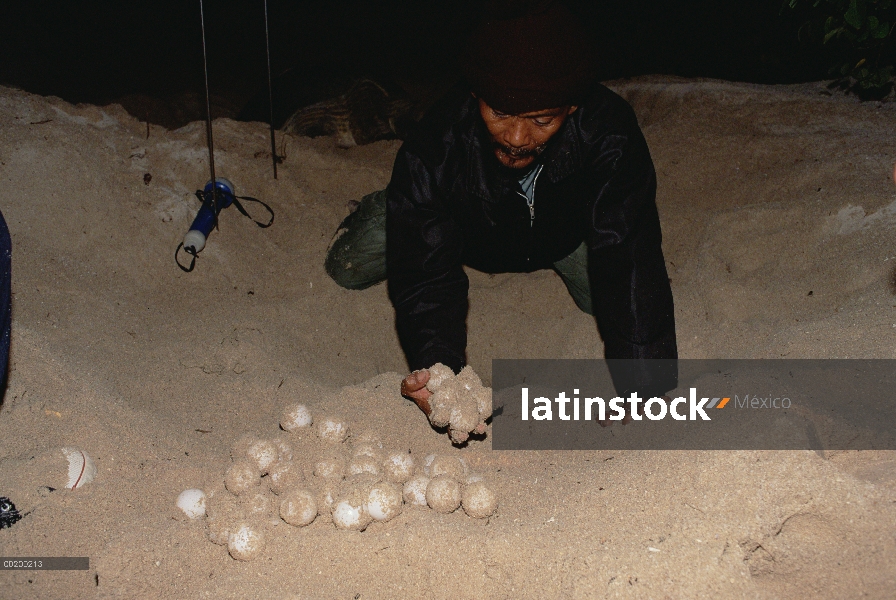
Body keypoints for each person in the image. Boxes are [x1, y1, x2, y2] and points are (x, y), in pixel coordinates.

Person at [325, 0, 677, 433]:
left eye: (542, 119)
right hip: (464, 228)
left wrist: (645, 389)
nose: (515, 137)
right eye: (499, 113)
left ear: (572, 108)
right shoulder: (437, 141)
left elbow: (629, 252)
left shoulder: (611, 132)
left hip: (559, 232)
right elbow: (426, 271)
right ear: (476, 96)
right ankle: (390, 203)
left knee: (602, 301)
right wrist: (440, 375)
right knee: (347, 268)